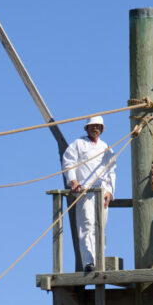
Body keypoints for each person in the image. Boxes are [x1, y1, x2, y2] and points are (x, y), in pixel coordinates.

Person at [61, 115, 115, 273]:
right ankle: (88, 262)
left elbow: (111, 171)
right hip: (84, 191)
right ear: (87, 128)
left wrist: (110, 192)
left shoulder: (106, 147)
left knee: (100, 227)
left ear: (102, 129)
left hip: (101, 192)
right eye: (92, 126)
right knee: (86, 225)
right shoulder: (78, 144)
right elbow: (68, 162)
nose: (95, 128)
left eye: (98, 126)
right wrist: (73, 181)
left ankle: (100, 261)